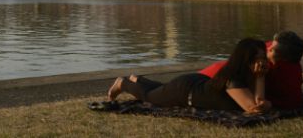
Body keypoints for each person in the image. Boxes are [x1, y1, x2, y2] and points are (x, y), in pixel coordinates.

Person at [107, 38, 272, 113]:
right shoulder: (233, 79)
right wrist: (261, 80)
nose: (262, 62)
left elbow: (258, 103)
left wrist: (260, 82)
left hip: (197, 83)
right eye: (256, 59)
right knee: (150, 96)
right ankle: (124, 83)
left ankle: (139, 79)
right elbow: (254, 108)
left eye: (263, 57)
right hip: (185, 90)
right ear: (245, 60)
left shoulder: (250, 75)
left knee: (161, 89)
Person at [198, 30, 303, 109]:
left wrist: (271, 103)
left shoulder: (288, 72)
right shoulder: (267, 52)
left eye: (272, 50)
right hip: (212, 76)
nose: (268, 48)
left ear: (282, 58)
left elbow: (293, 100)